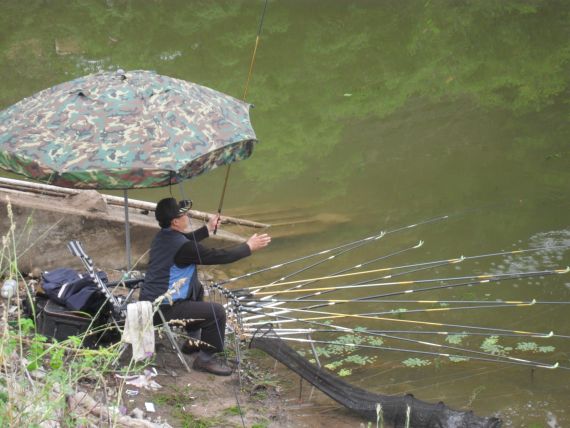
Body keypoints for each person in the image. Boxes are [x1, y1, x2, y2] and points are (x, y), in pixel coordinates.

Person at [140, 197, 271, 376]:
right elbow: (220, 256)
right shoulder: (184, 248)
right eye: (184, 215)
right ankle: (206, 359)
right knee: (216, 312)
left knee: (197, 287)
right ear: (175, 222)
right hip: (163, 309)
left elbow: (186, 239)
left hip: (151, 303)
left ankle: (192, 342)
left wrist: (208, 228)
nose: (188, 217)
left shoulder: (163, 236)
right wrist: (248, 247)